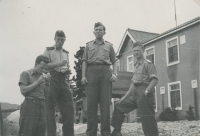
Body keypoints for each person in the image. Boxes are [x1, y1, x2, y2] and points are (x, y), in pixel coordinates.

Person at [110, 42, 159, 136]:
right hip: (135, 94)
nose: (136, 52)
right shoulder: (136, 66)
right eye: (134, 51)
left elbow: (154, 80)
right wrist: (124, 97)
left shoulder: (148, 64)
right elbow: (133, 83)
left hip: (145, 94)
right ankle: (116, 131)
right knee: (119, 106)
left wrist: (146, 91)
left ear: (143, 50)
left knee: (147, 120)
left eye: (138, 50)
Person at [81, 22, 117, 136]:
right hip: (91, 72)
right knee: (91, 104)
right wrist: (83, 76)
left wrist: (115, 73)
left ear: (104, 32)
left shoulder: (109, 46)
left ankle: (105, 132)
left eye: (100, 29)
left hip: (106, 72)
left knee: (105, 104)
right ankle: (91, 133)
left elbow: (115, 60)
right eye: (96, 29)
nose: (98, 31)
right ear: (93, 32)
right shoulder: (88, 46)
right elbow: (84, 61)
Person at [43, 30, 74, 136]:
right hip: (52, 79)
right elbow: (44, 66)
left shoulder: (66, 53)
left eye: (62, 39)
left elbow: (66, 67)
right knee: (49, 109)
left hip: (64, 80)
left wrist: (67, 70)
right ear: (54, 39)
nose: (60, 42)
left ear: (65, 40)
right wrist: (58, 64)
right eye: (58, 39)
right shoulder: (48, 51)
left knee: (69, 108)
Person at [18, 55, 50, 136]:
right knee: (26, 133)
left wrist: (47, 83)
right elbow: (23, 90)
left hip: (42, 106)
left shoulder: (42, 77)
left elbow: (47, 95)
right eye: (42, 67)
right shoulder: (26, 73)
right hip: (30, 105)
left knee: (41, 133)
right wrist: (37, 82)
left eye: (45, 68)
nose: (43, 70)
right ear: (36, 64)